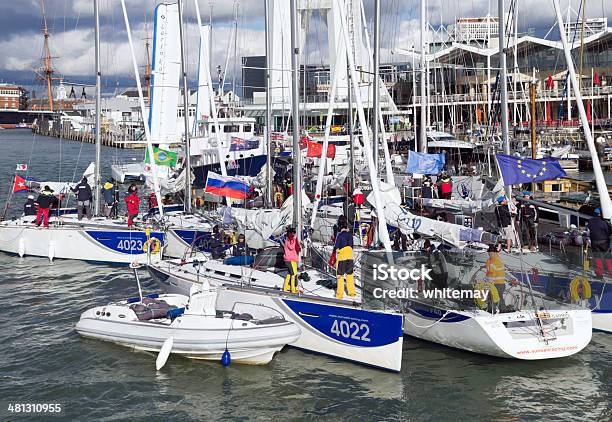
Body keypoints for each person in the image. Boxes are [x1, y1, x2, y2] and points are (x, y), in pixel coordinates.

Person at [329, 221, 355, 299]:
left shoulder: (340, 235)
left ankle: (339, 294)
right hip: (350, 256)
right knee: (349, 275)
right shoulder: (350, 235)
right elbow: (352, 246)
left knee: (340, 276)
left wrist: (334, 253)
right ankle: (352, 292)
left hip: (342, 256)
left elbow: (336, 246)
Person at [485, 243, 506, 312]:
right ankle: (493, 311)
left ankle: (497, 311)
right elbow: (489, 272)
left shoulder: (495, 261)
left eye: (491, 253)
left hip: (498, 284)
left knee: (495, 297)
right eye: (489, 253)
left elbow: (491, 271)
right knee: (492, 297)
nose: (489, 254)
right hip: (494, 283)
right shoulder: (491, 260)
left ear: (494, 253)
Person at [283, 227, 301, 293]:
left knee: (290, 274)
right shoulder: (288, 241)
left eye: (294, 233)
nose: (294, 234)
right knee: (293, 274)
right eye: (293, 233)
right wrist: (295, 239)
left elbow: (295, 248)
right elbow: (291, 247)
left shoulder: (291, 240)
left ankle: (286, 287)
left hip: (292, 259)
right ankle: (292, 289)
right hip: (289, 260)